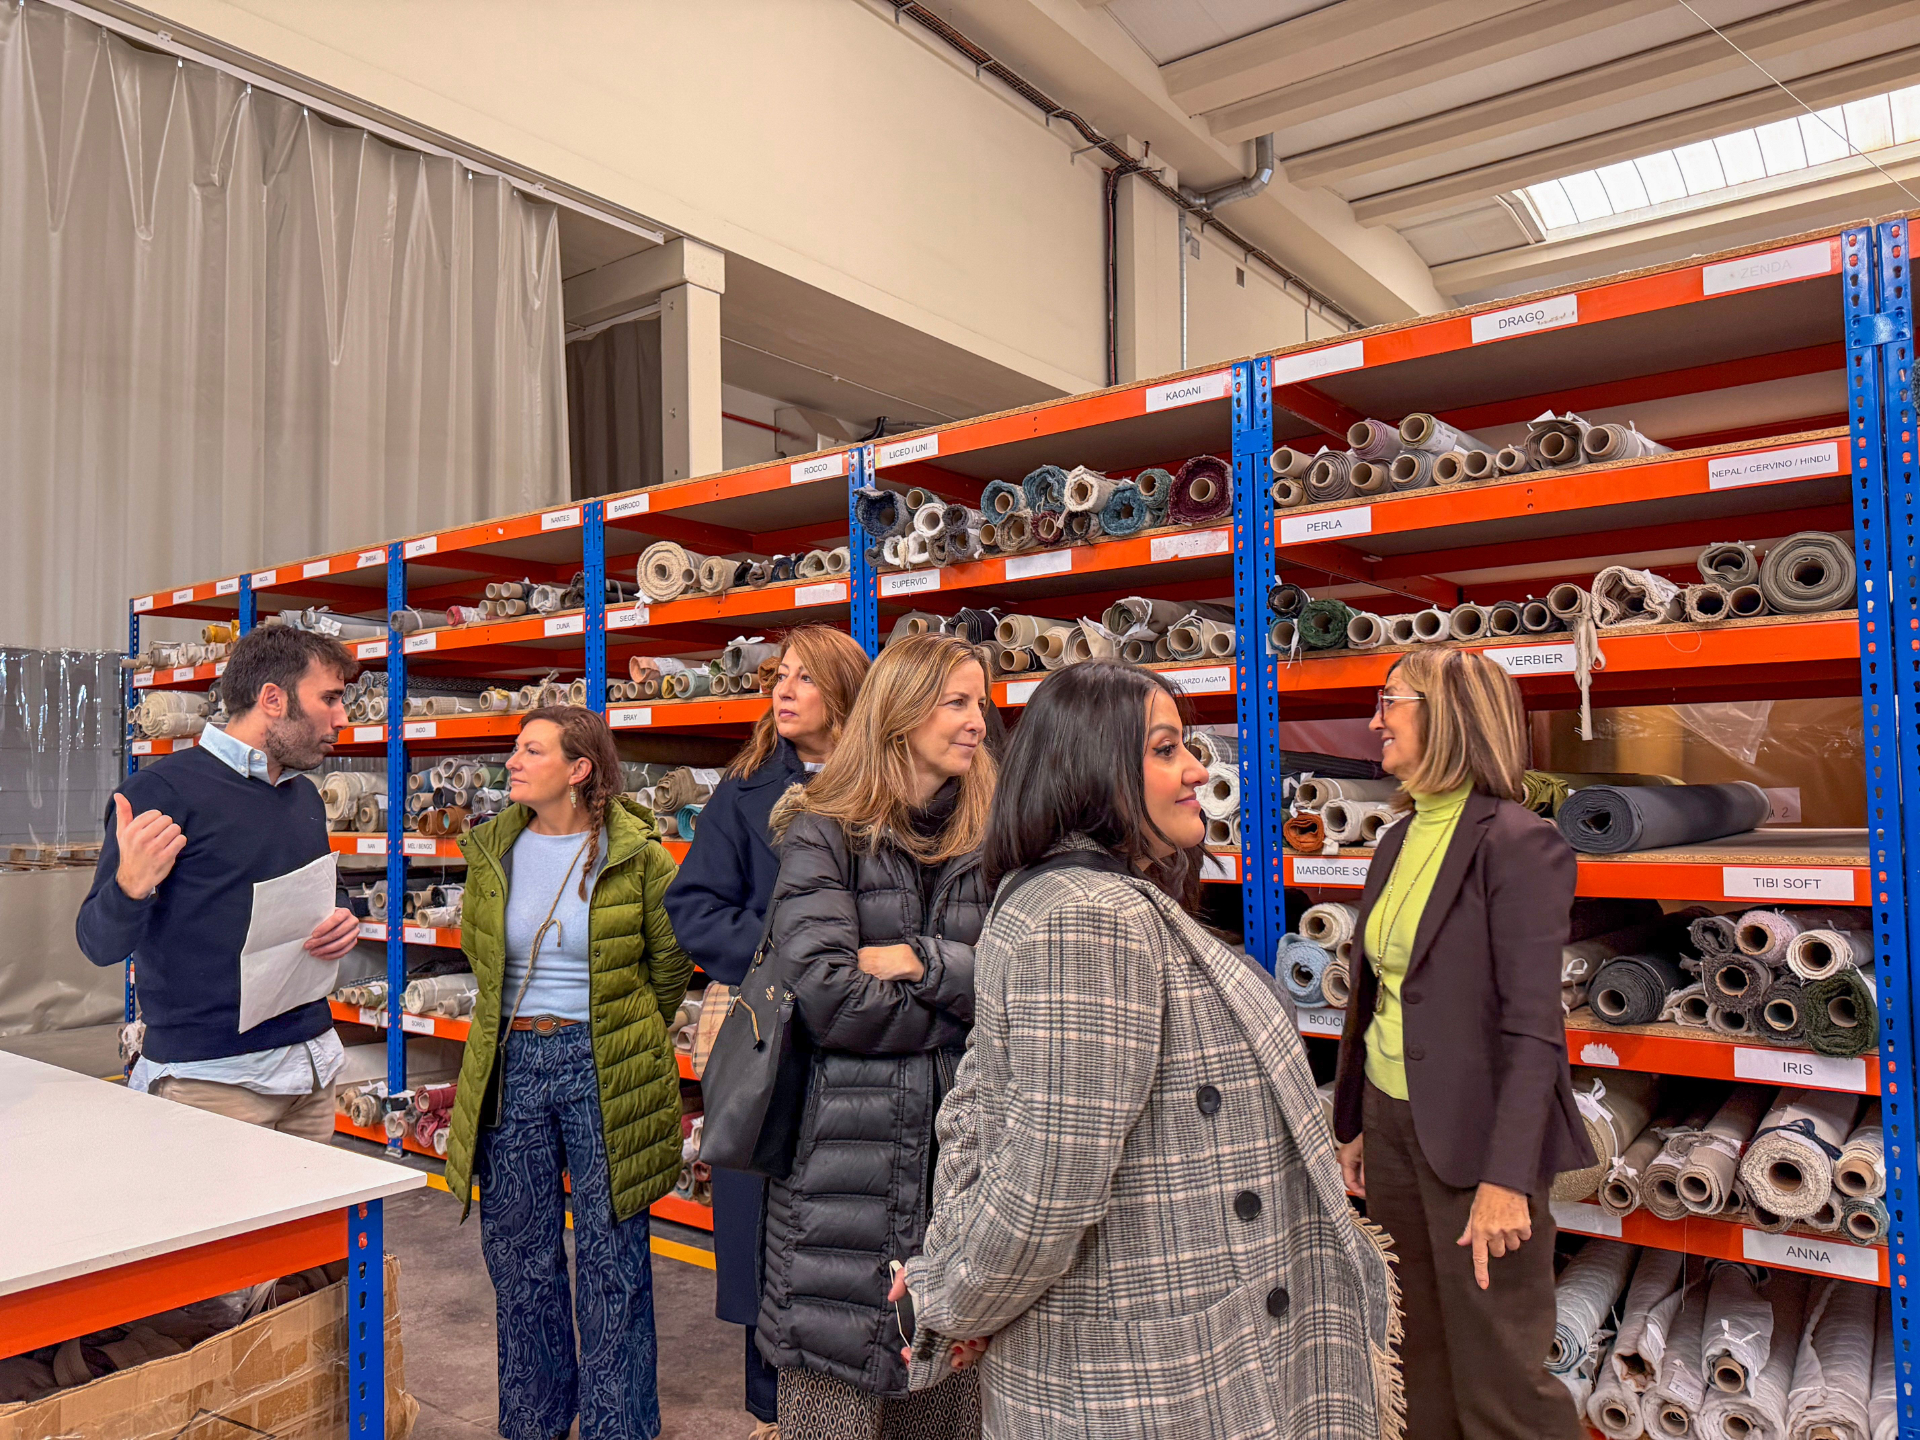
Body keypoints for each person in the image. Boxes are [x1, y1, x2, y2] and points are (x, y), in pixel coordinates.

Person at [895, 660, 1403, 1440]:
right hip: (1139, 1371)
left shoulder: (1092, 899)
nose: (1198, 769)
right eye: (1166, 750)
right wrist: (957, 1302)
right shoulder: (1088, 918)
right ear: (1091, 770)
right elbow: (1048, 1183)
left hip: (1162, 1342)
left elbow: (990, 1107)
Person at [1332, 645, 1591, 1440]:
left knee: (1500, 1379)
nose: (1375, 721)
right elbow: (1378, 995)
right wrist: (1355, 1120)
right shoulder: (1398, 838)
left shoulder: (1517, 842)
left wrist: (1507, 1178)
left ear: (1448, 717)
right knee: (1416, 1359)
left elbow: (1533, 1029)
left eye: (1390, 702)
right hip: (1393, 1125)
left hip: (1476, 1142)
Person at [758, 633, 995, 1440]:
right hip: (844, 1179)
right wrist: (963, 1004)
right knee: (836, 1401)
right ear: (899, 710)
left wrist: (919, 960)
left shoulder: (996, 836)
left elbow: (1025, 979)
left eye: (979, 703)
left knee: (947, 1404)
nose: (977, 721)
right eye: (956, 702)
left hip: (960, 1169)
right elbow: (830, 999)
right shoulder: (824, 831)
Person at [440, 705, 694, 1440]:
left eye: (531, 750)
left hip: (603, 1063)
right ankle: (535, 1421)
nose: (512, 762)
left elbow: (670, 966)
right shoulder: (493, 851)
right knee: (520, 1257)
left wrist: (621, 1028)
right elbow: (481, 955)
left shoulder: (638, 857)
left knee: (614, 1262)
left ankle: (619, 1426)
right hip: (513, 1063)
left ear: (579, 769)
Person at [663, 625, 872, 1439]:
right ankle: (771, 1413)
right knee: (762, 1228)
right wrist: (785, 955)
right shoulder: (744, 789)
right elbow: (694, 906)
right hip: (767, 1030)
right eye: (779, 676)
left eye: (805, 678)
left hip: (865, 1029)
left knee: (852, 1226)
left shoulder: (890, 785)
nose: (783, 691)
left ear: (846, 692)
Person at [76, 624, 361, 1139]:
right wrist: (129, 888)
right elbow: (98, 943)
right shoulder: (161, 792)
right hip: (214, 1081)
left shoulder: (302, 796)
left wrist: (342, 916)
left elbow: (313, 891)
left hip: (311, 1069)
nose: (342, 717)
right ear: (272, 699)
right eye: (330, 698)